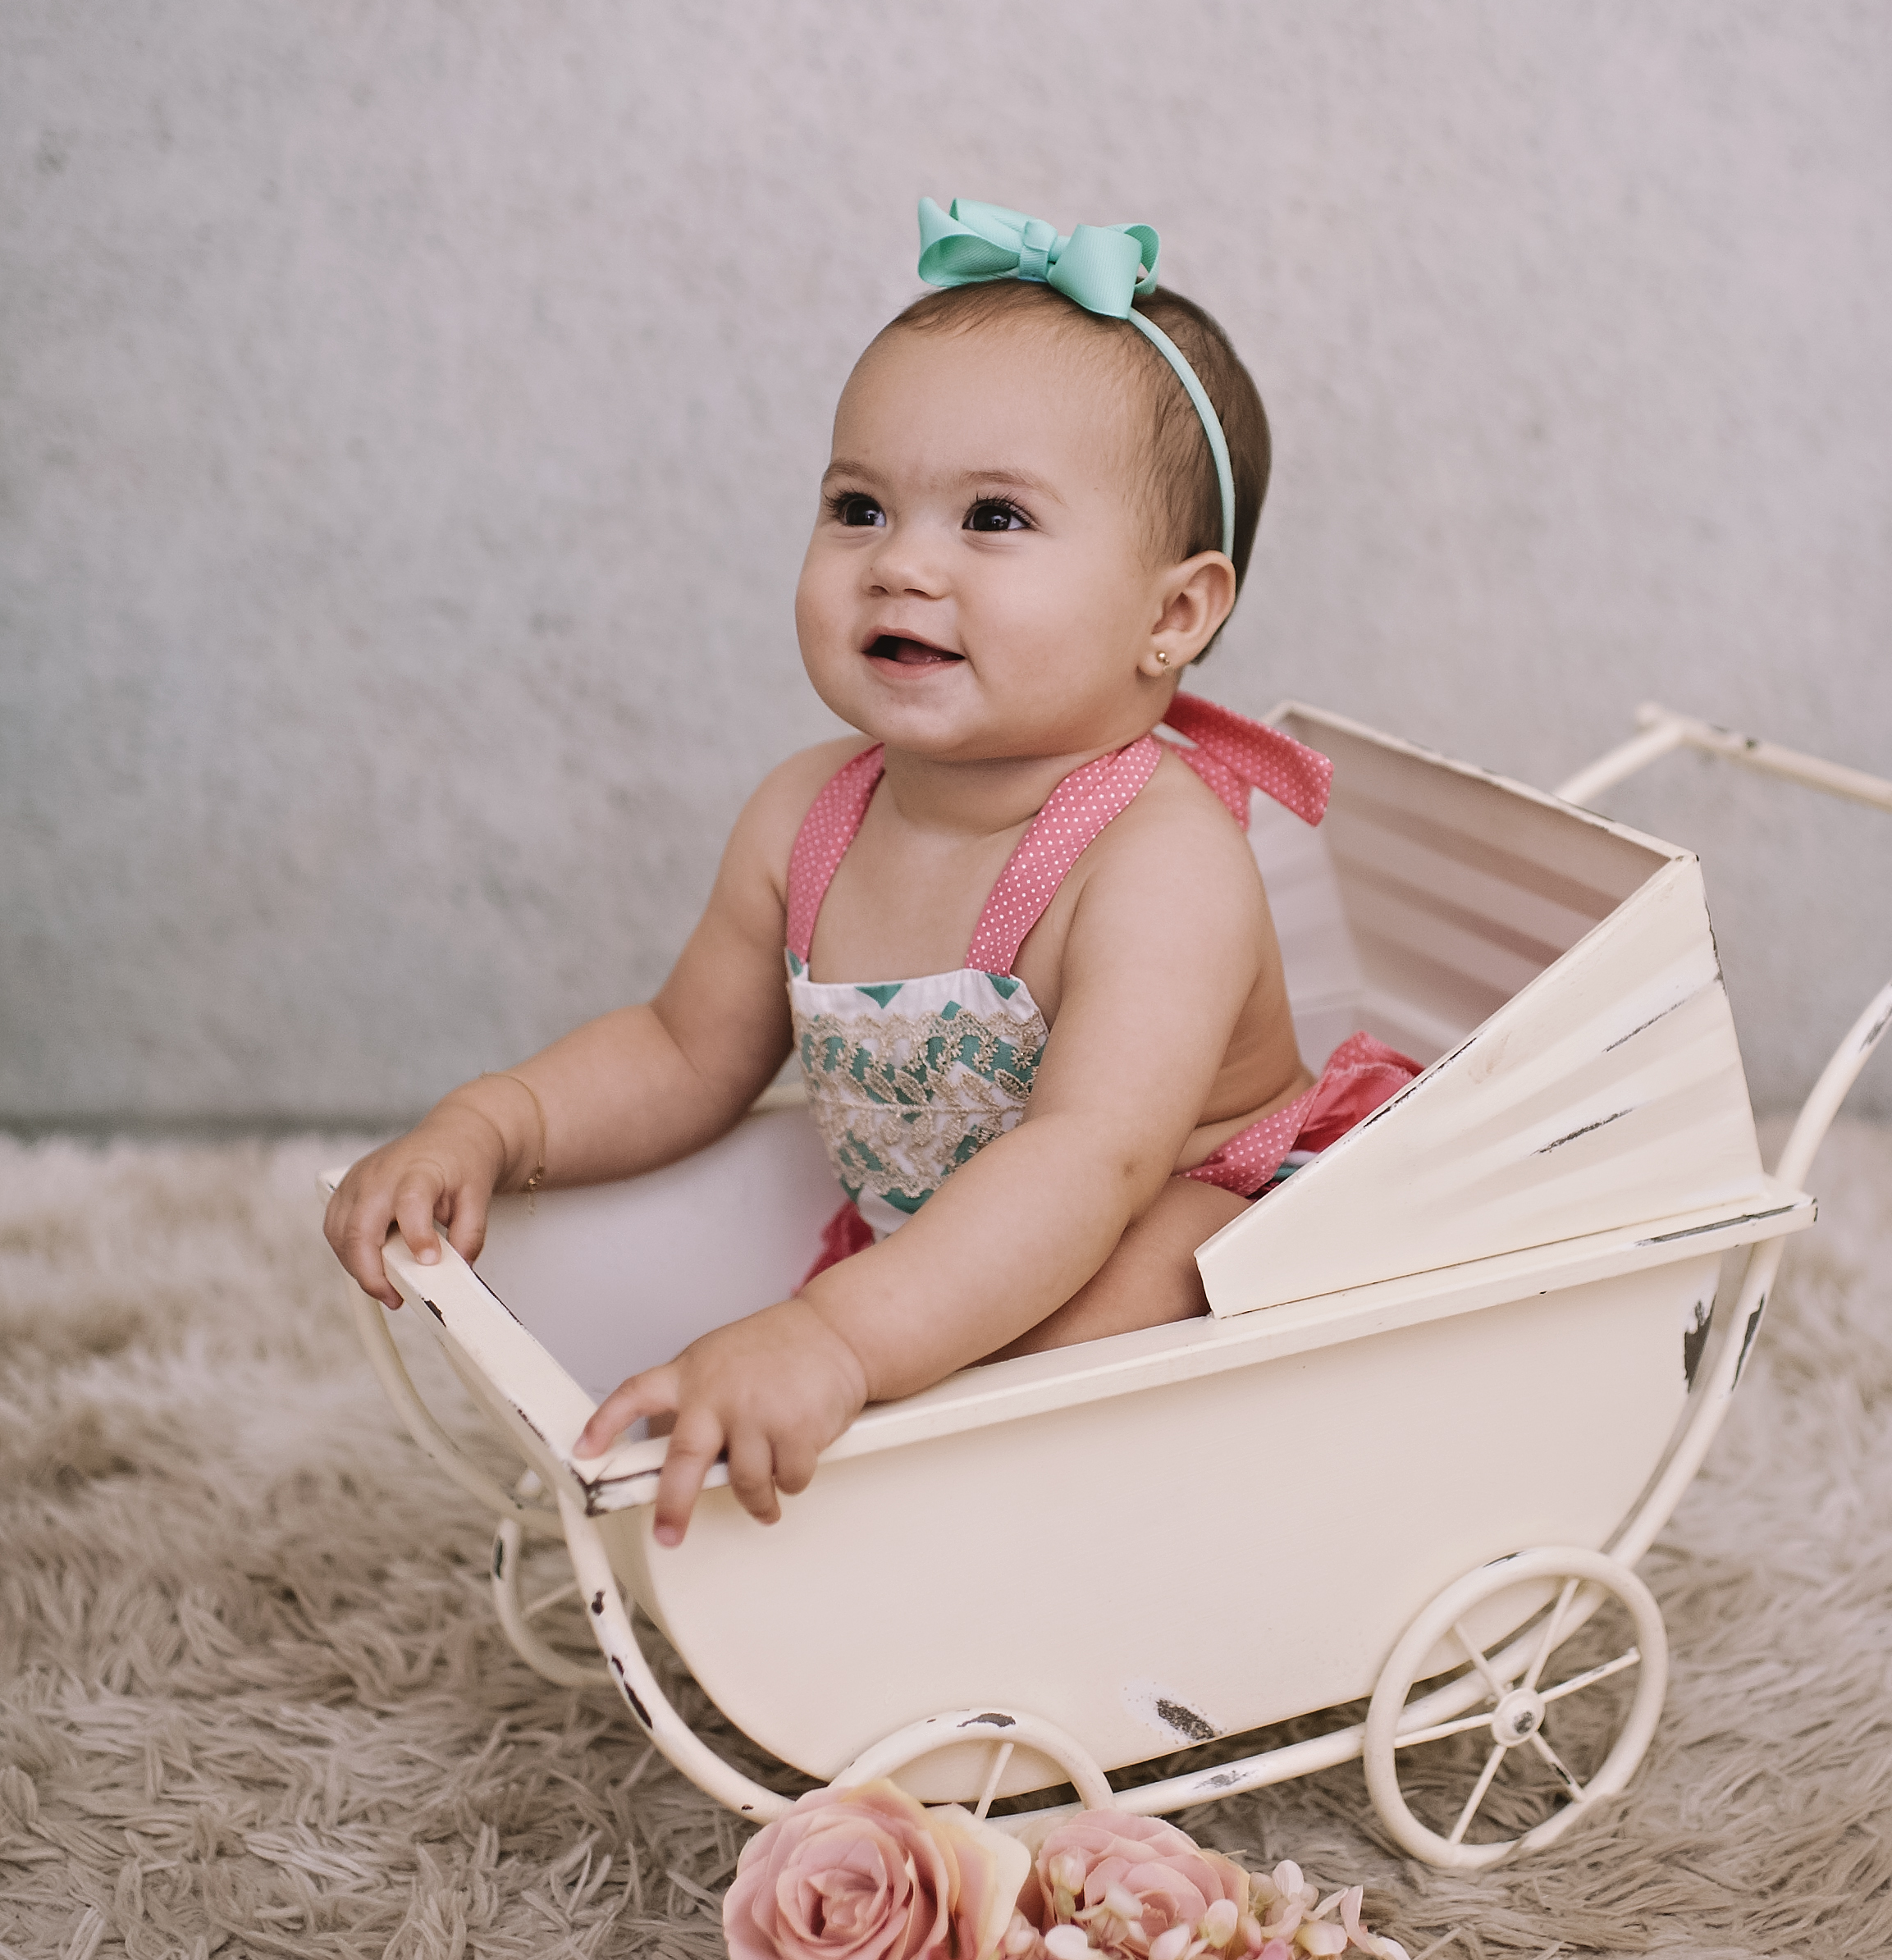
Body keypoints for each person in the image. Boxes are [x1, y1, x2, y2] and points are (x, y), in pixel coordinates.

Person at [323, 202, 1414, 1542]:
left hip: (1188, 1207)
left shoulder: (1156, 854)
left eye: (994, 518)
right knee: (863, 1338)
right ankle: (875, 1510)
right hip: (949, 1242)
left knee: (1110, 1299)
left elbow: (1087, 1161)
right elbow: (682, 1053)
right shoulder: (806, 814)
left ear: (1172, 614)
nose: (901, 562)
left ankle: (1039, 1568)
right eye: (859, 507)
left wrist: (835, 1338)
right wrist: (494, 1123)